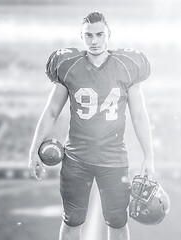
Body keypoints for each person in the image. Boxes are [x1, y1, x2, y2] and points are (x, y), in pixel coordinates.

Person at [28, 12, 155, 240]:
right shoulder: (68, 65)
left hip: (114, 160)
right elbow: (51, 111)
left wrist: (149, 157)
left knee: (118, 222)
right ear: (81, 36)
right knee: (72, 221)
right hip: (77, 160)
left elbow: (139, 115)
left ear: (108, 35)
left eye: (99, 34)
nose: (94, 41)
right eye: (88, 35)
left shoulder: (126, 66)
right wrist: (32, 151)